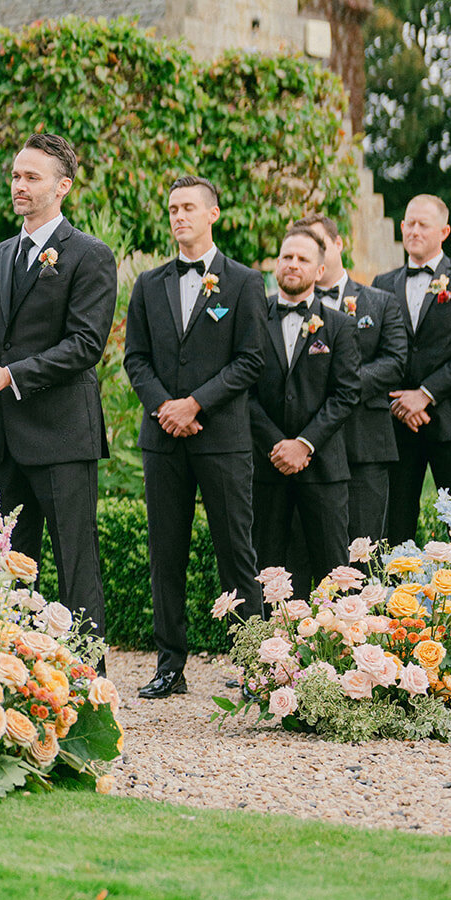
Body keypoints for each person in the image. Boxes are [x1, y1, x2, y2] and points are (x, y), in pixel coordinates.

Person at [0, 134, 116, 638]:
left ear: (63, 186)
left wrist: (12, 376)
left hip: (63, 435)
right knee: (8, 568)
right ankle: (16, 674)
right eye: (15, 176)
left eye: (32, 177)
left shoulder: (89, 255)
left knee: (76, 564)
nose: (19, 185)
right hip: (5, 437)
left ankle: (88, 682)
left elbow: (84, 345)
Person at [123, 175, 267, 699]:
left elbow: (252, 359)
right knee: (166, 553)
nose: (178, 216)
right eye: (172, 209)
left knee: (236, 550)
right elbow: (134, 358)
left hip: (223, 438)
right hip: (163, 439)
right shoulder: (149, 284)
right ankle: (169, 665)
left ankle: (255, 666)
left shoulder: (245, 283)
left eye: (188, 207)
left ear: (213, 214)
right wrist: (165, 406)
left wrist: (196, 403)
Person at [251, 227, 360, 584]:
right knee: (267, 574)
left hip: (323, 468)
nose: (293, 265)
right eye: (287, 257)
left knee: (334, 572)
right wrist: (277, 445)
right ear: (277, 264)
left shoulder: (340, 327)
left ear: (319, 270)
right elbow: (243, 390)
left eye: (303, 259)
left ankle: (335, 641)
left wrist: (304, 443)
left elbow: (345, 394)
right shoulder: (251, 318)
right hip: (266, 469)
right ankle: (266, 641)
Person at [295, 212, 406, 545]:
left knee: (364, 550)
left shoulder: (381, 302)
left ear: (338, 243)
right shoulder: (289, 307)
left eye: (320, 245)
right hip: (308, 446)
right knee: (303, 552)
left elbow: (395, 363)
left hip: (365, 445)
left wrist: (343, 385)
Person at [372, 194, 451, 542]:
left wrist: (425, 395)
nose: (413, 230)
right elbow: (373, 351)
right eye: (408, 223)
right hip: (396, 424)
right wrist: (399, 401)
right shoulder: (383, 284)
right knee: (394, 528)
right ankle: (395, 598)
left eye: (423, 224)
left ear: (444, 231)